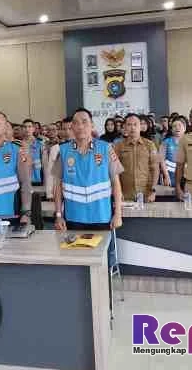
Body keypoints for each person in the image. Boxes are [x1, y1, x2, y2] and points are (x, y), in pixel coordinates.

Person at [51, 108, 124, 268]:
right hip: (73, 218)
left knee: (103, 263)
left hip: (102, 217)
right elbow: (58, 186)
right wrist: (58, 215)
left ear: (92, 125)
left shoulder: (105, 148)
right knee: (76, 262)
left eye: (84, 122)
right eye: (76, 123)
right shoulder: (63, 151)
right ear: (71, 127)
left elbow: (116, 183)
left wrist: (118, 213)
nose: (80, 126)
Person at [114, 113, 159, 202]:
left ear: (140, 127)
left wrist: (153, 190)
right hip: (125, 195)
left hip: (146, 195)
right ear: (125, 127)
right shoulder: (118, 146)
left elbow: (155, 169)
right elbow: (115, 171)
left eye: (135, 124)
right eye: (129, 125)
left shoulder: (150, 145)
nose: (132, 127)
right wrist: (118, 192)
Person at [159, 116, 187, 187]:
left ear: (185, 128)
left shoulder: (189, 142)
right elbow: (161, 160)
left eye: (179, 125)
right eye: (174, 126)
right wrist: (166, 176)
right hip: (170, 174)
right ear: (171, 129)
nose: (177, 128)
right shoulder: (166, 142)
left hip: (186, 175)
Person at [23, 119, 47, 185]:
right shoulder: (19, 145)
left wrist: (46, 181)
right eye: (25, 127)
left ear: (33, 129)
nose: (27, 129)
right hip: (24, 180)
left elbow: (45, 164)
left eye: (29, 126)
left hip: (38, 179)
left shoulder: (41, 143)